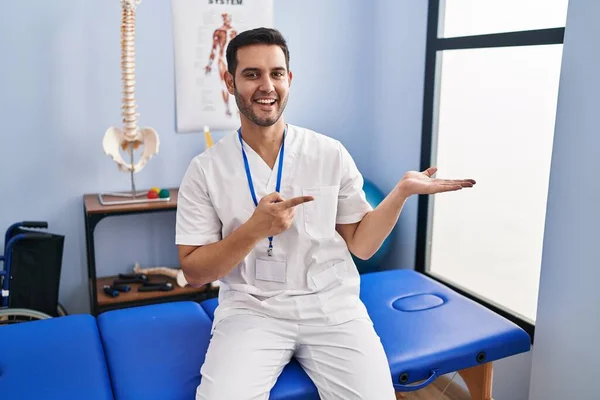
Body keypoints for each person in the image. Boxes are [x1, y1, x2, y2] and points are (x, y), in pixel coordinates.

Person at [176, 27, 475, 400]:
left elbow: (362, 247)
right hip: (252, 311)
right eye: (252, 74)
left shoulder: (328, 153)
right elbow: (193, 271)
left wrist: (400, 193)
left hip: (331, 306)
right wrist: (254, 230)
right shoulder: (205, 170)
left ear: (290, 79)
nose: (266, 85)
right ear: (230, 81)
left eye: (277, 73)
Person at [205, 13, 237, 117]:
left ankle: (238, 109)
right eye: (225, 18)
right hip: (223, 60)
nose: (226, 20)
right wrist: (209, 64)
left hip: (233, 60)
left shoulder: (234, 32)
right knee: (225, 85)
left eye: (228, 18)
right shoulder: (218, 32)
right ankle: (227, 109)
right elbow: (214, 48)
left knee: (237, 84)